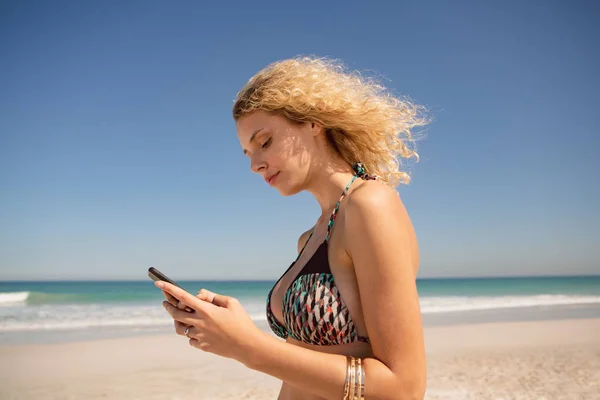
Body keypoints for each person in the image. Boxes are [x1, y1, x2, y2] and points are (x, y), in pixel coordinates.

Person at [157, 56, 429, 400]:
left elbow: (404, 388)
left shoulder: (369, 204)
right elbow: (306, 360)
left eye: (265, 142)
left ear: (313, 122)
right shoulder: (310, 238)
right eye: (247, 153)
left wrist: (247, 347)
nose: (255, 165)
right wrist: (230, 328)